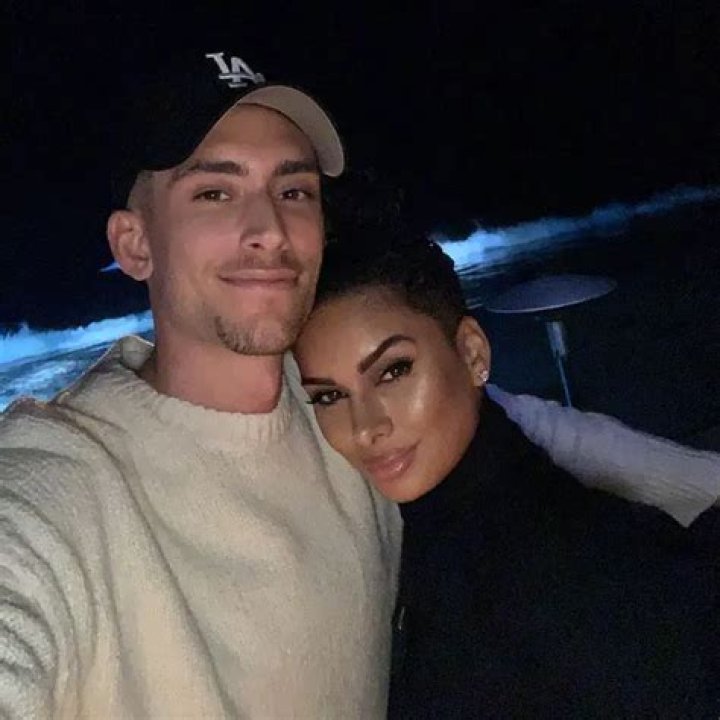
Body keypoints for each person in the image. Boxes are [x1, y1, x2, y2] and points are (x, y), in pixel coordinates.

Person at [1, 49, 718, 717]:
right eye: (215, 192)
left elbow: (527, 423)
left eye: (294, 189)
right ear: (133, 244)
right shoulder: (58, 482)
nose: (269, 229)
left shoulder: (330, 400)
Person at [294, 234, 720, 718]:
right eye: (329, 396)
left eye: (394, 371)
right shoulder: (427, 538)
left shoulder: (567, 572)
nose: (366, 428)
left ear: (473, 353)